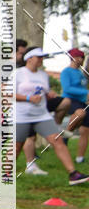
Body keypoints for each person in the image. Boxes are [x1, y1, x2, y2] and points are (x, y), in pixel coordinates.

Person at [15, 48, 89, 185]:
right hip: (22, 116)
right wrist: (28, 98)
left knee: (58, 141)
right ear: (29, 58)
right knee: (17, 146)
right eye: (38, 57)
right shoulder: (18, 74)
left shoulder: (43, 75)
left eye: (42, 57)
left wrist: (49, 94)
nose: (41, 60)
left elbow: (44, 91)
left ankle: (73, 174)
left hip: (41, 115)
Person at [59, 48, 89, 164]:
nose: (81, 59)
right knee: (80, 113)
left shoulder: (80, 74)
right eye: (79, 57)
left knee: (86, 130)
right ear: (73, 58)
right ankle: (66, 134)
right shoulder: (66, 72)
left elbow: (82, 89)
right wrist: (86, 93)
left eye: (82, 57)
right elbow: (67, 89)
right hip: (69, 100)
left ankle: (80, 158)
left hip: (82, 102)